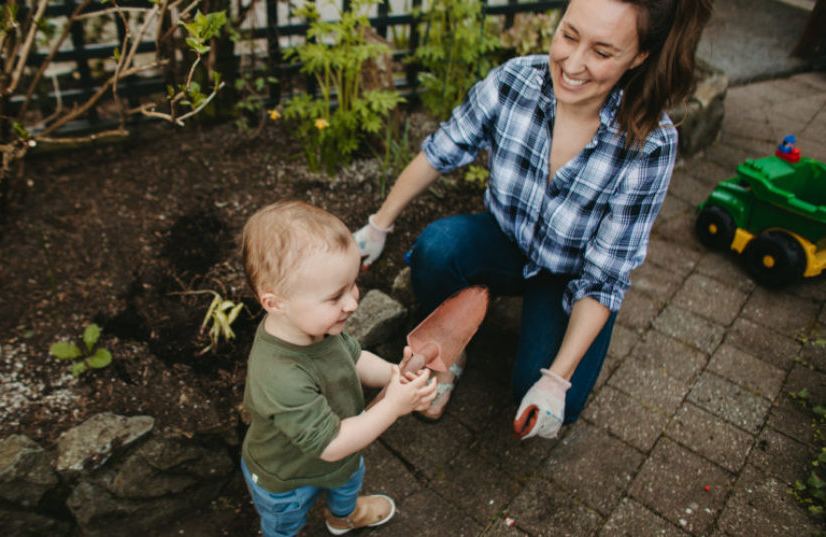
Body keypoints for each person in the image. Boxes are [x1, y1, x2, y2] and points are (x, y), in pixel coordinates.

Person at [354, 0, 713, 437]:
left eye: (602, 52)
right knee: (436, 248)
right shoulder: (514, 81)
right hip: (506, 241)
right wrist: (379, 224)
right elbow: (440, 151)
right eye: (569, 35)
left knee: (549, 397)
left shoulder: (650, 143)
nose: (573, 64)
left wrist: (555, 381)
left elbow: (605, 277)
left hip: (569, 275)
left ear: (639, 57)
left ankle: (547, 352)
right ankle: (450, 355)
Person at [240, 200, 438, 537]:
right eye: (336, 296)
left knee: (347, 484)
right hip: (287, 478)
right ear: (275, 303)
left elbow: (355, 358)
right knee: (284, 525)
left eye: (352, 285)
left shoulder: (317, 325)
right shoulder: (280, 376)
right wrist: (393, 405)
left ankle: (345, 517)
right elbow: (330, 444)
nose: (352, 302)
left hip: (345, 454)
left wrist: (395, 375)